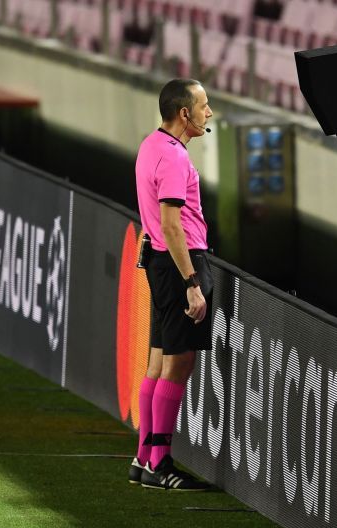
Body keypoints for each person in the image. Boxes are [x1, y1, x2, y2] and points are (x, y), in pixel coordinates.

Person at [128, 78, 214, 490]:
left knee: (158, 362)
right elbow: (171, 224)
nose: (208, 113)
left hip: (158, 264)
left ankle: (143, 457)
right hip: (179, 264)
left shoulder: (150, 145)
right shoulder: (176, 158)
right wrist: (192, 282)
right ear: (185, 113)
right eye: (204, 106)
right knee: (178, 364)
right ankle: (159, 463)